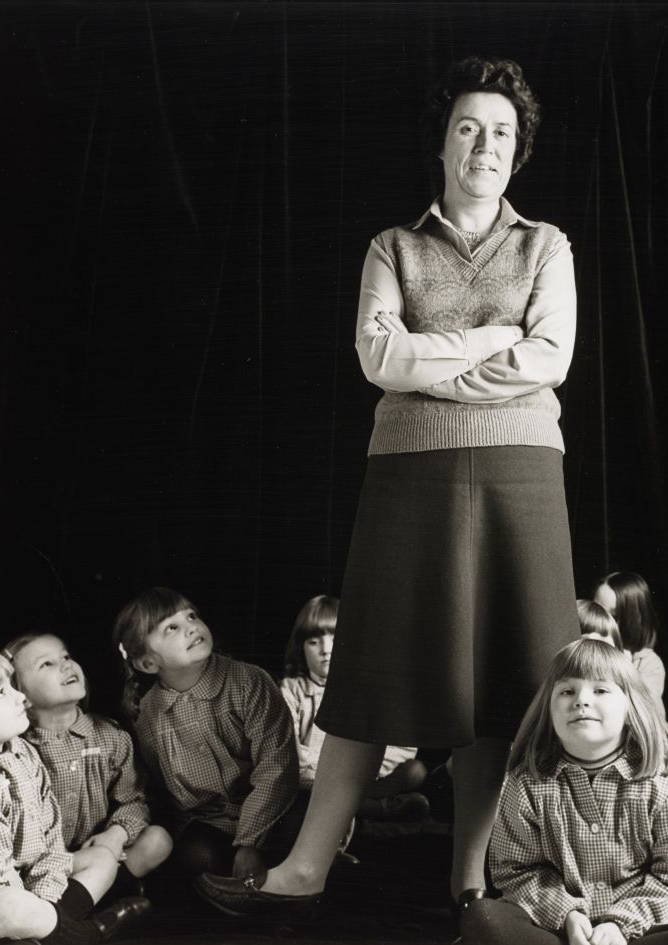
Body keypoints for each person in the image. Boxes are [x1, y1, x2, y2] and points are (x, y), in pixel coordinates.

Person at [195, 54, 580, 916]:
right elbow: (379, 357)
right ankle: (304, 870)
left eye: (502, 134)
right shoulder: (391, 247)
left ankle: (470, 879)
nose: (485, 145)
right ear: (442, 145)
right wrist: (491, 340)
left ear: (518, 155)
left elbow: (551, 355)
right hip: (408, 474)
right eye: (469, 128)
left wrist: (429, 360)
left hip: (523, 477)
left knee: (496, 683)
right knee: (370, 675)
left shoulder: (546, 244)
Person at [460, 638, 668, 945]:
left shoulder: (661, 782)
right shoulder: (527, 781)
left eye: (600, 690)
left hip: (637, 931)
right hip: (555, 930)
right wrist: (567, 914)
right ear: (548, 711)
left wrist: (620, 923)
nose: (581, 701)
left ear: (630, 706)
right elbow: (514, 872)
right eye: (567, 691)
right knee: (482, 916)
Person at [112, 587, 302, 881]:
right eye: (172, 627)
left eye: (192, 616)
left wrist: (250, 843)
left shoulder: (249, 682)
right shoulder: (149, 716)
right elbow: (165, 791)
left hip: (273, 804)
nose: (191, 627)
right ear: (148, 663)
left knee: (302, 833)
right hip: (212, 821)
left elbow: (277, 768)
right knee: (197, 857)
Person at [0, 649, 150, 945]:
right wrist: (30, 907)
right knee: (12, 905)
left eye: (12, 685)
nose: (20, 697)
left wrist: (45, 896)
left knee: (101, 858)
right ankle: (88, 934)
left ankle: (49, 930)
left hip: (20, 881)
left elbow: (49, 836)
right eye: (1, 693)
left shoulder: (22, 752)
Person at [4, 632, 173, 897]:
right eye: (46, 664)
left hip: (99, 849)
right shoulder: (16, 749)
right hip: (41, 862)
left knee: (157, 840)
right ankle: (73, 907)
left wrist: (115, 836)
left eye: (66, 656)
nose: (66, 665)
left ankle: (102, 895)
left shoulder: (111, 737)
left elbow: (134, 800)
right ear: (20, 695)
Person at [279, 595, 429, 821]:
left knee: (414, 771)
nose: (326, 650)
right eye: (314, 642)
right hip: (311, 780)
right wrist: (331, 772)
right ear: (301, 648)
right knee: (294, 791)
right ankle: (378, 809)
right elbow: (291, 755)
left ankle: (351, 804)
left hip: (360, 778)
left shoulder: (367, 689)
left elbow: (403, 748)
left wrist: (354, 772)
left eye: (335, 638)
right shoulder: (291, 690)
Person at [592, 572, 666, 716]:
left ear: (631, 619)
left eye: (613, 616)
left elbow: (642, 714)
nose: (601, 621)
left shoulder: (649, 664)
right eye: (597, 610)